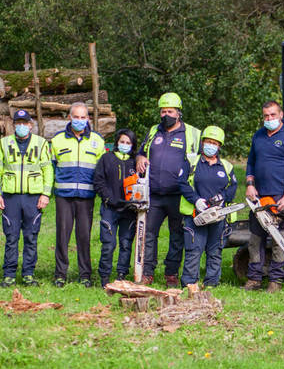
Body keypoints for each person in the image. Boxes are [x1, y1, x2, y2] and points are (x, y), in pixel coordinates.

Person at [135, 92, 201, 288]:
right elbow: (140, 152)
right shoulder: (154, 131)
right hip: (154, 195)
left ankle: (171, 272)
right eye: (163, 111)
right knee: (148, 234)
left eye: (170, 111)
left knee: (177, 235)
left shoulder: (192, 133)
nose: (166, 115)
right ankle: (147, 272)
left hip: (179, 195)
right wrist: (139, 158)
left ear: (178, 112)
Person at [244, 100, 284, 293]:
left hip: (279, 196)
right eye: (266, 116)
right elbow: (251, 163)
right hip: (258, 196)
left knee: (279, 239)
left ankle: (276, 280)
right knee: (255, 239)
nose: (269, 119)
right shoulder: (258, 136)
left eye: (272, 115)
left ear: (281, 115)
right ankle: (254, 278)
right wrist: (250, 185)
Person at [0, 109, 53, 287]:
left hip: (33, 198)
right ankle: (9, 274)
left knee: (31, 236)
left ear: (30, 125)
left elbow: (48, 170)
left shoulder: (41, 143)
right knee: (11, 236)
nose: (21, 126)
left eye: (24, 123)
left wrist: (46, 195)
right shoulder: (4, 143)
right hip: (10, 198)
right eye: (18, 123)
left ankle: (28, 274)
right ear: (13, 125)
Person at [51, 102, 105, 288]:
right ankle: (60, 274)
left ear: (88, 119)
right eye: (76, 117)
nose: (80, 121)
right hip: (64, 196)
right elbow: (51, 167)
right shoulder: (57, 140)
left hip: (86, 196)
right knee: (62, 236)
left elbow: (101, 171)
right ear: (69, 117)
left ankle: (85, 275)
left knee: (84, 237)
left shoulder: (97, 141)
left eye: (83, 117)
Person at [178, 126, 238, 289]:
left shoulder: (226, 166)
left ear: (219, 146)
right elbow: (182, 183)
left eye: (214, 143)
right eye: (208, 142)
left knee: (215, 250)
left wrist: (222, 198)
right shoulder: (192, 162)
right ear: (202, 142)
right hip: (196, 214)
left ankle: (211, 282)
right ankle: (190, 283)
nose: (210, 145)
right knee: (194, 249)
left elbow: (232, 186)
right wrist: (196, 200)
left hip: (217, 215)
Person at [94, 128, 138, 288]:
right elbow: (98, 180)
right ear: (116, 143)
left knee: (126, 243)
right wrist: (109, 198)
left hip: (129, 210)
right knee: (108, 244)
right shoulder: (107, 159)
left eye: (128, 143)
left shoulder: (135, 162)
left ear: (132, 145)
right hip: (110, 208)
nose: (124, 145)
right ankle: (104, 276)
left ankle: (121, 274)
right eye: (122, 142)